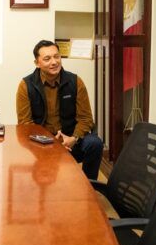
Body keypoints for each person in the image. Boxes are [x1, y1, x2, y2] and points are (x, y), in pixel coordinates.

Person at [16, 40, 103, 179]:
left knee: (95, 143)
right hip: (41, 143)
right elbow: (25, 123)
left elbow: (85, 119)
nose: (54, 62)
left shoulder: (75, 81)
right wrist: (49, 141)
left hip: (71, 140)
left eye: (57, 56)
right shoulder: (26, 85)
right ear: (37, 63)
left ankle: (90, 185)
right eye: (47, 59)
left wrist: (73, 138)